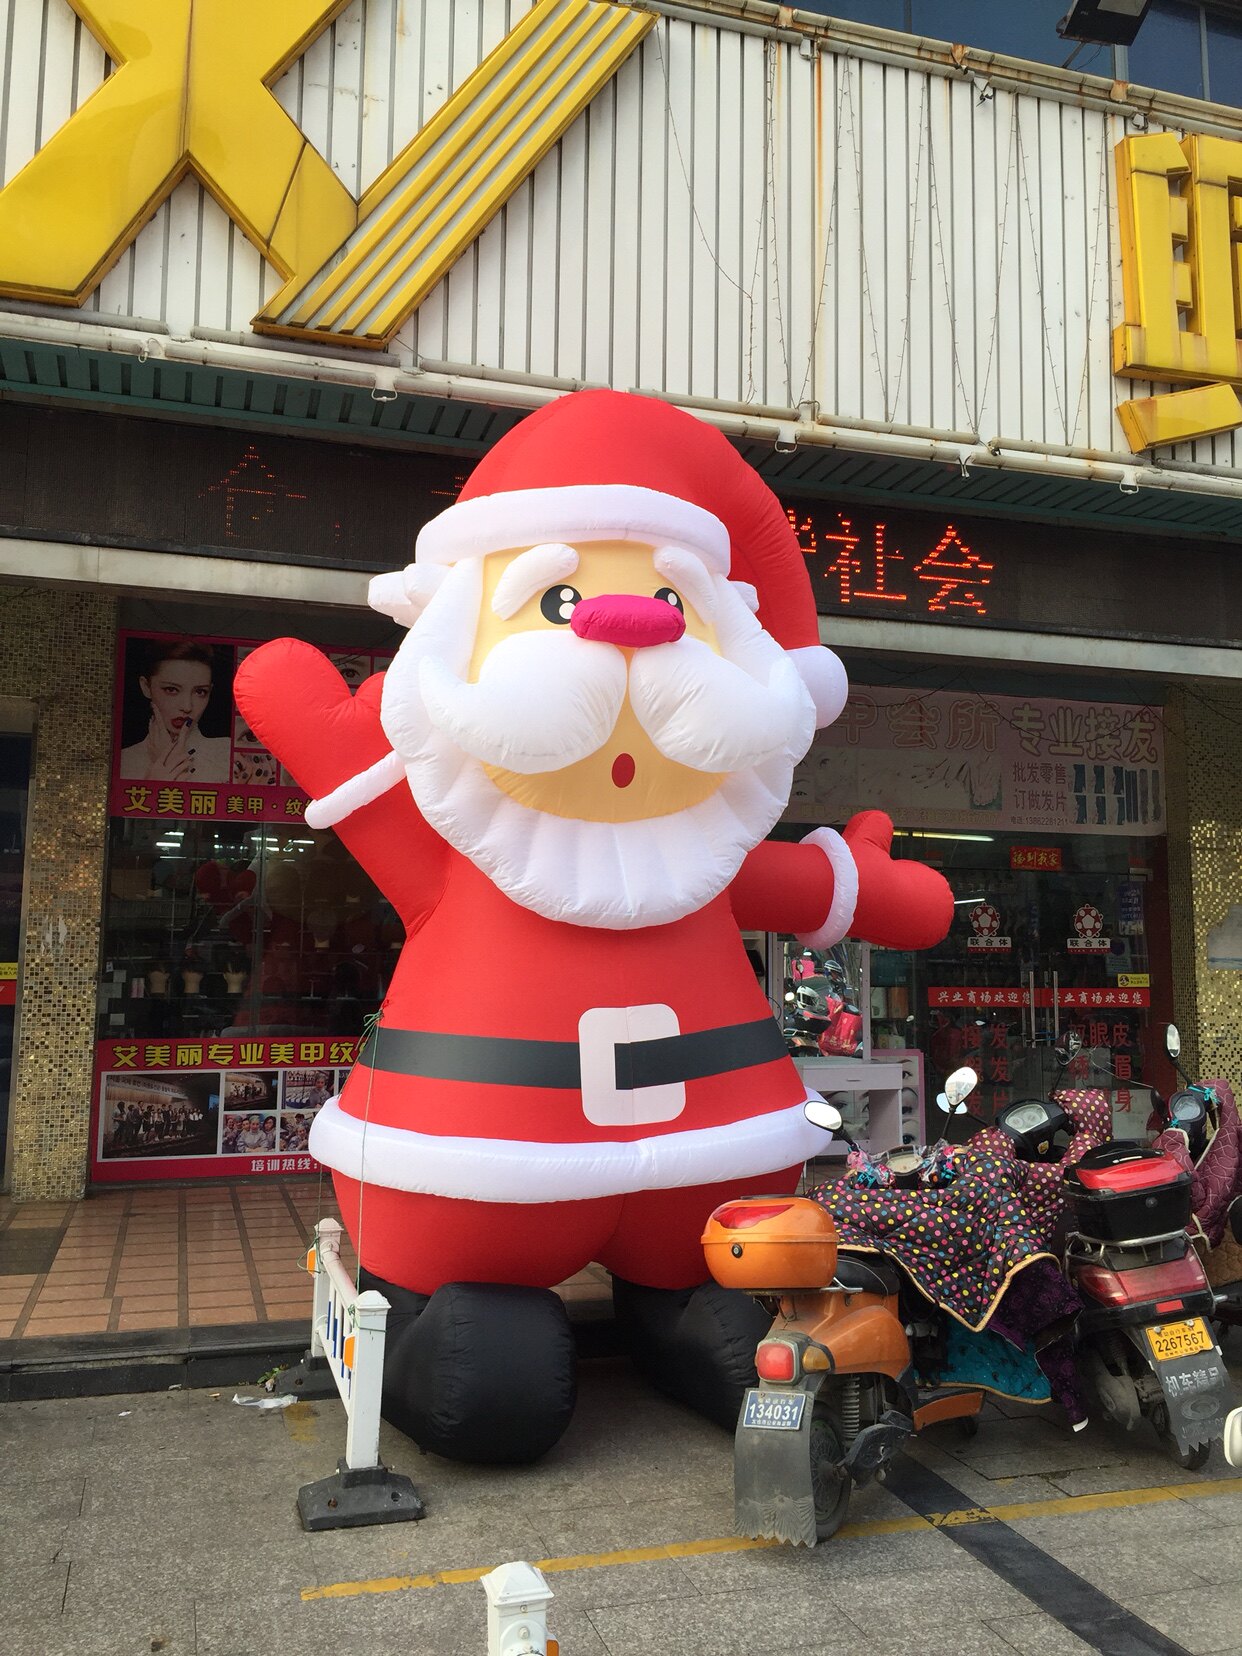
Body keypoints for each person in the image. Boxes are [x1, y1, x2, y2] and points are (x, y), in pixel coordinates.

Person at [119, 639, 232, 782]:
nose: (187, 706)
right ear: (146, 687)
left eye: (200, 692)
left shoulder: (227, 753)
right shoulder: (124, 760)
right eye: (171, 690)